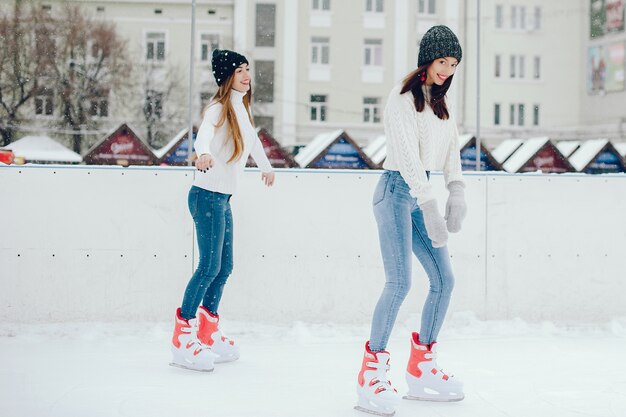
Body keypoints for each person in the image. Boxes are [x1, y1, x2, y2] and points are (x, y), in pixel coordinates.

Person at [355, 25, 466, 415]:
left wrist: (456, 189)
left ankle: (421, 366)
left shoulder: (443, 104)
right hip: (395, 192)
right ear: (427, 60)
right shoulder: (402, 98)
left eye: (453, 65)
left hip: (422, 196)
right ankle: (372, 370)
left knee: (444, 279)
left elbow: (451, 149)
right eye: (442, 62)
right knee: (400, 282)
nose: (447, 70)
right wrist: (430, 204)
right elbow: (406, 156)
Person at [170, 49, 275, 372]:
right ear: (226, 77)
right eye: (239, 70)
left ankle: (207, 329)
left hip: (222, 197)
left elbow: (253, 142)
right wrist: (201, 154)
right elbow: (203, 135)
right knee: (208, 266)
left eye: (247, 69)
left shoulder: (240, 108)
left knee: (224, 266)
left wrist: (266, 166)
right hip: (206, 195)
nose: (246, 75)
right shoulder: (218, 108)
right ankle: (183, 335)